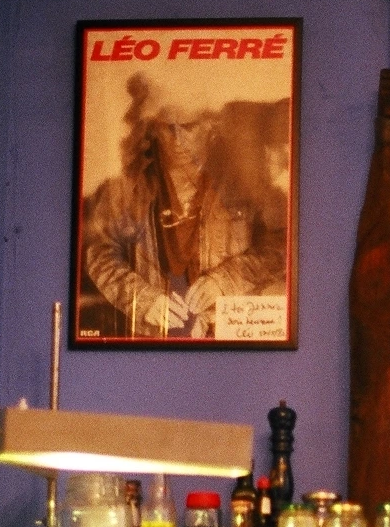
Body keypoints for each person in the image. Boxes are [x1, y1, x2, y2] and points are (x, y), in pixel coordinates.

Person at [80, 75, 286, 340]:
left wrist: (225, 281)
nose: (177, 138)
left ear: (210, 127)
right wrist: (143, 301)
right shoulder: (129, 187)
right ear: (154, 129)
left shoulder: (246, 183)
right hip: (153, 338)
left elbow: (280, 246)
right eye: (168, 127)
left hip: (224, 332)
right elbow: (99, 253)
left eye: (188, 127)